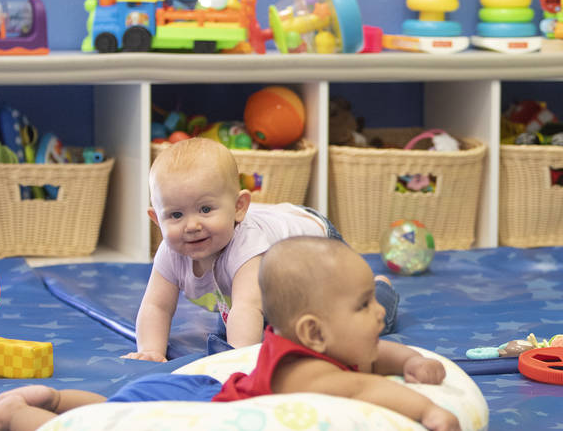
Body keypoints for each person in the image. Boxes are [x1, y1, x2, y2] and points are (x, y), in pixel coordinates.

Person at [0, 236, 460, 431]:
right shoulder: (309, 373)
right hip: (191, 417)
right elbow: (364, 390)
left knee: (107, 408)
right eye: (365, 305)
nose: (381, 315)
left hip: (208, 394)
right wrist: (427, 411)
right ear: (314, 333)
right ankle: (20, 417)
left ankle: (50, 398)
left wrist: (413, 359)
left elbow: (378, 356)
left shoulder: (330, 343)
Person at [124, 138, 398, 362]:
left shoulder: (248, 246)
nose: (191, 225)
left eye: (205, 209)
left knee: (340, 324)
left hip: (314, 249)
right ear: (156, 219)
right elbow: (156, 305)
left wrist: (237, 363)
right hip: (269, 270)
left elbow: (246, 307)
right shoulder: (171, 252)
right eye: (175, 215)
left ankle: (380, 291)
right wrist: (151, 350)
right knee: (251, 327)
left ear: (239, 207)